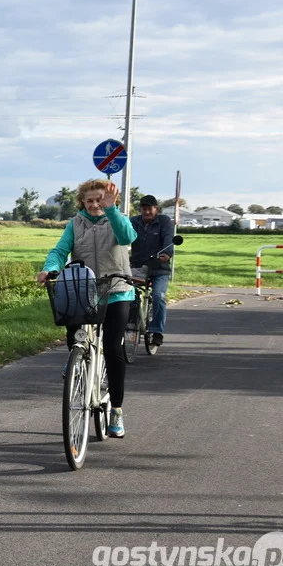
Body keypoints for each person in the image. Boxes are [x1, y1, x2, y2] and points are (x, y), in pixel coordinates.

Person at [37, 180, 137, 438]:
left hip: (117, 291)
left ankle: (116, 409)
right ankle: (77, 360)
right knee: (73, 329)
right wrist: (50, 267)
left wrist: (112, 209)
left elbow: (127, 237)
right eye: (90, 201)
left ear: (107, 200)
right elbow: (61, 250)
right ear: (82, 202)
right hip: (85, 290)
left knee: (114, 346)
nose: (95, 205)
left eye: (99, 200)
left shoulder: (116, 219)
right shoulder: (75, 223)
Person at [129, 194, 175, 346]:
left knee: (158, 296)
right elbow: (124, 236)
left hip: (159, 268)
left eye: (150, 209)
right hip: (137, 267)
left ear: (156, 209)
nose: (147, 212)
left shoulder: (164, 221)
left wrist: (166, 253)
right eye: (144, 209)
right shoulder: (134, 221)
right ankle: (130, 323)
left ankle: (157, 331)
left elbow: (169, 238)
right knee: (127, 295)